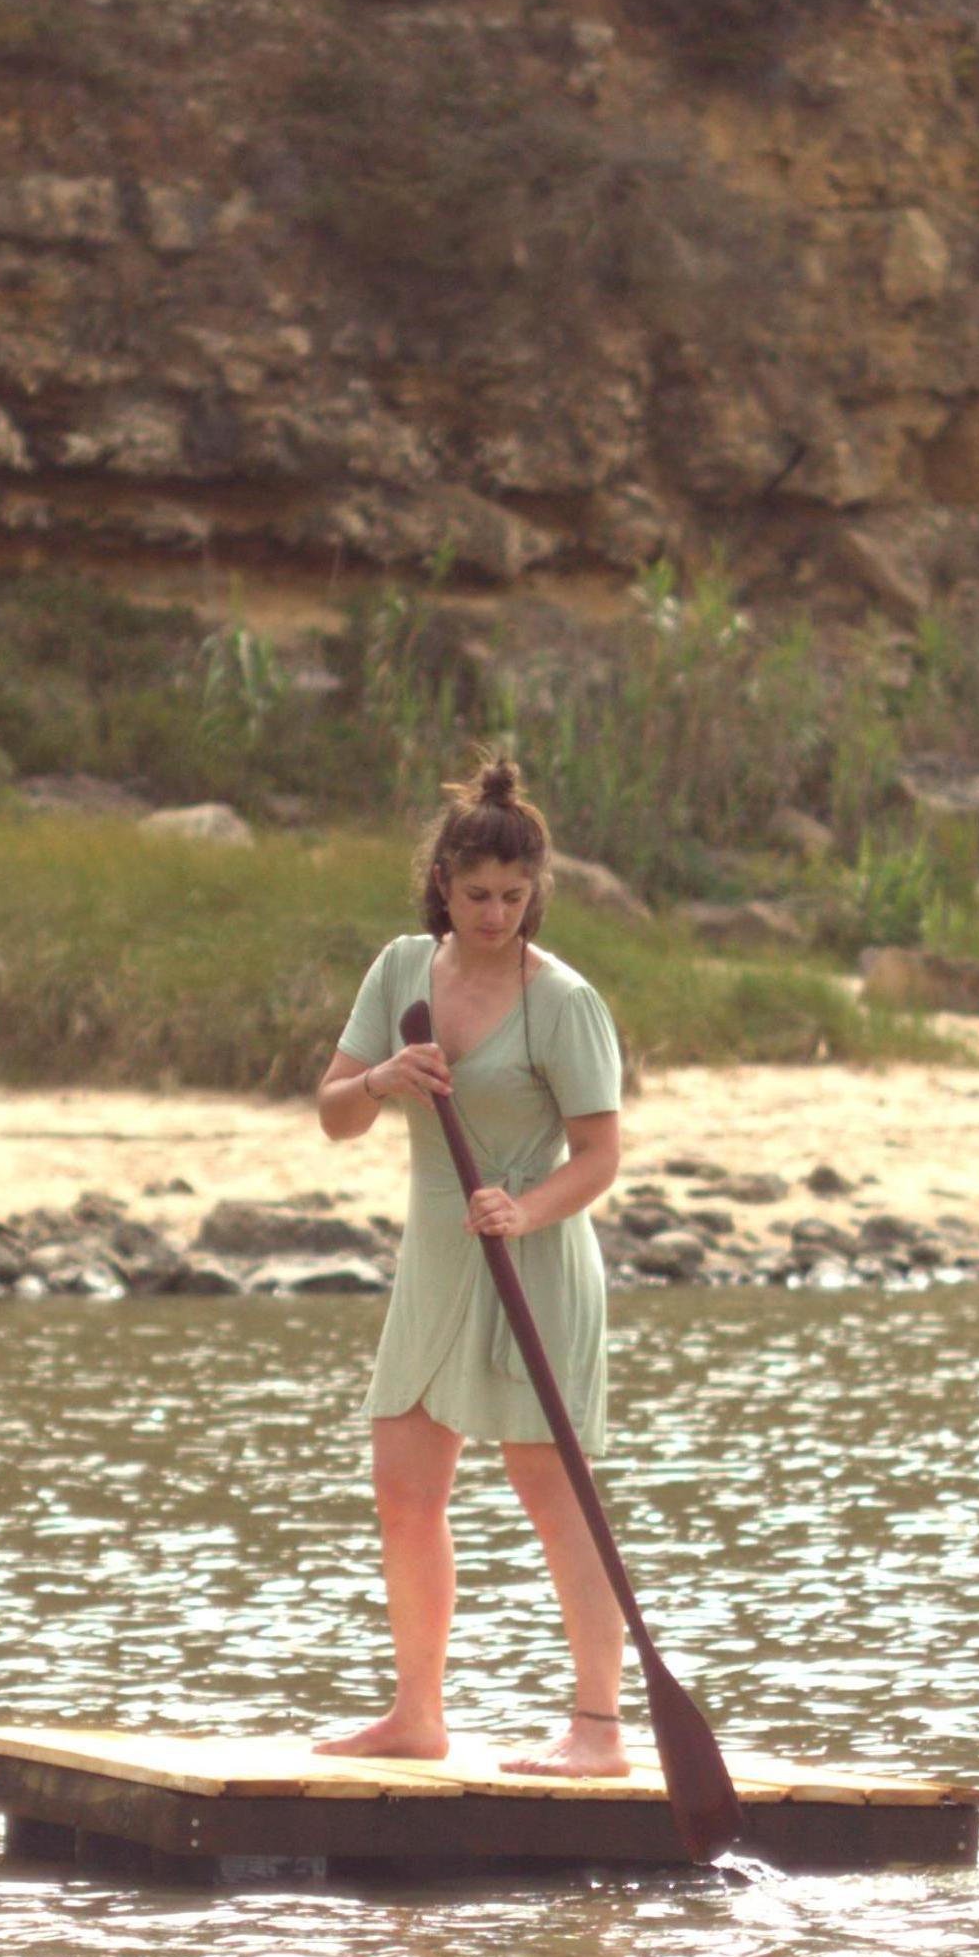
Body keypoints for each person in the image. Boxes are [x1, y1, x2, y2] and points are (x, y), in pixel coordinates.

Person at [313, 754, 632, 1777]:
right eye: (476, 895)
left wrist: (524, 1207)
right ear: (441, 887)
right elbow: (334, 1119)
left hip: (531, 1260)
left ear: (535, 893)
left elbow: (598, 1156)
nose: (496, 914)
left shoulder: (565, 1002)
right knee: (404, 1489)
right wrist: (380, 1076)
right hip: (437, 1262)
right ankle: (416, 1716)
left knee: (552, 1492)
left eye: (513, 896)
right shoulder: (400, 970)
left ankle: (598, 1729)